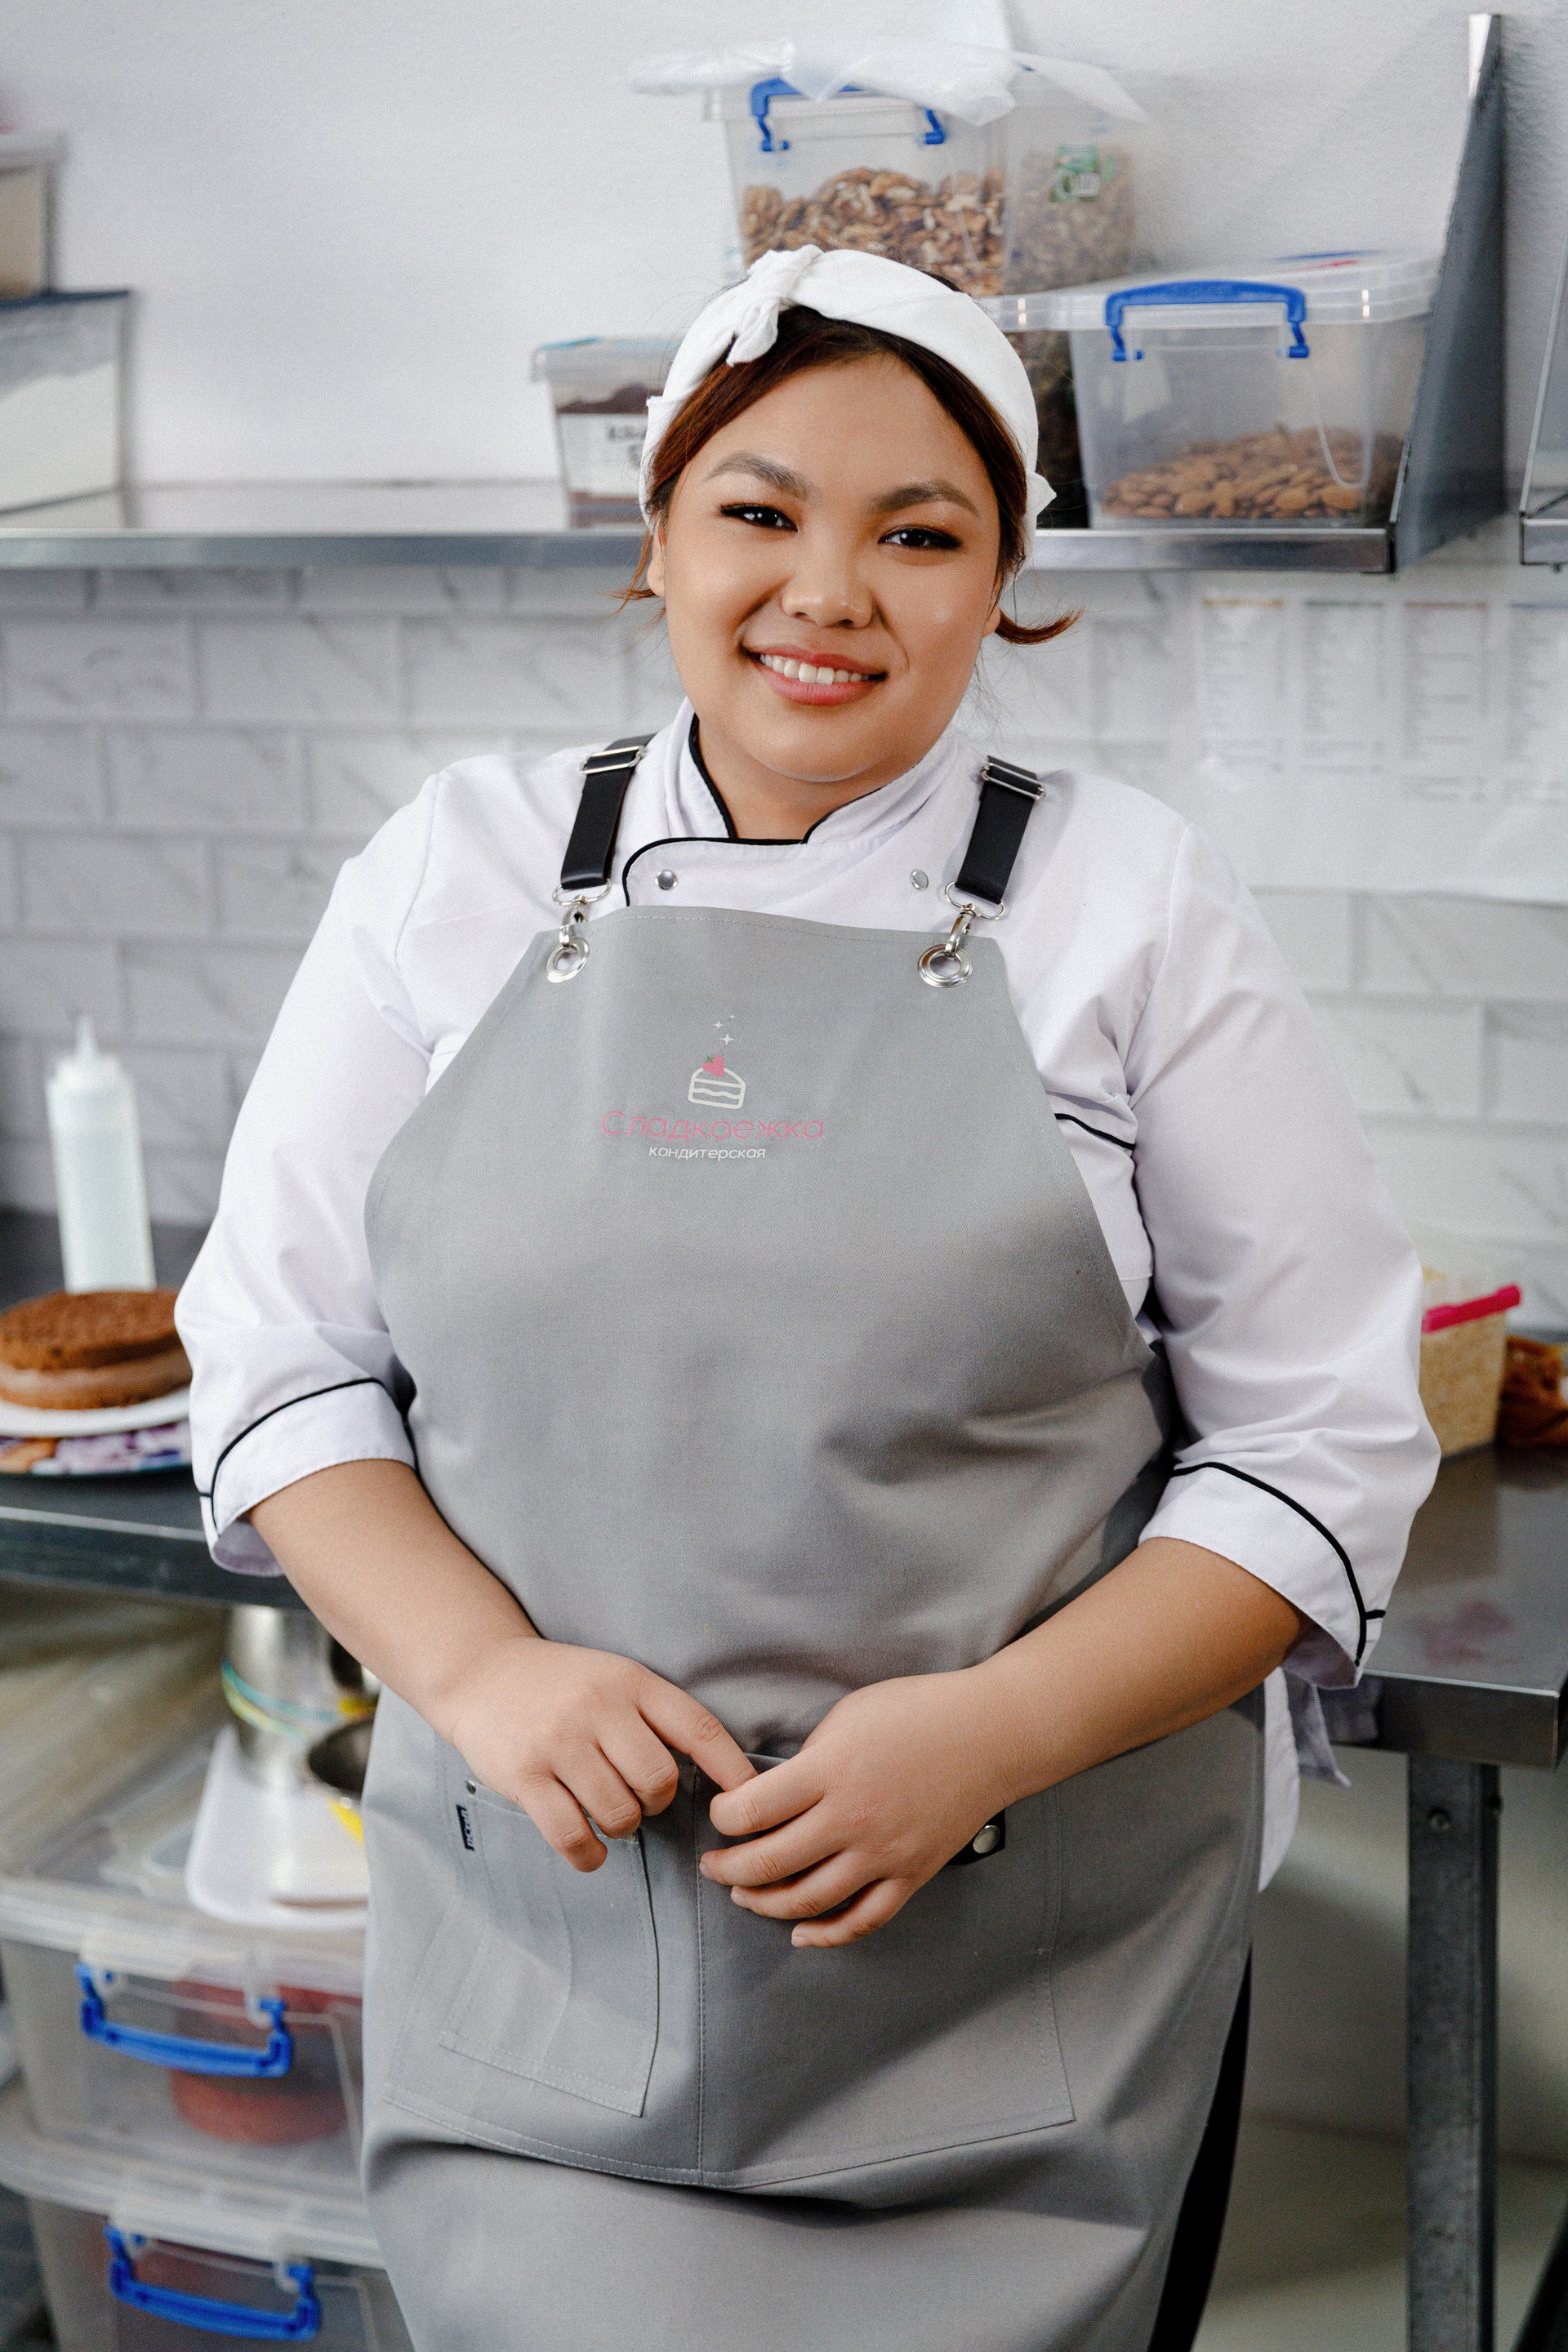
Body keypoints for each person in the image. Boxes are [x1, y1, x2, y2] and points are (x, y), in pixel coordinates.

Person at [179, 244, 1438, 2352]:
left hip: (1026, 1967)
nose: (826, 592)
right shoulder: (453, 872)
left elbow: (1319, 1449)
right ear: (658, 537)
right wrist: (484, 1672)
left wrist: (996, 1734)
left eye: (918, 534)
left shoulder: (1129, 904)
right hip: (545, 1943)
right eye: (758, 511)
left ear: (1006, 577)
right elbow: (281, 1366)